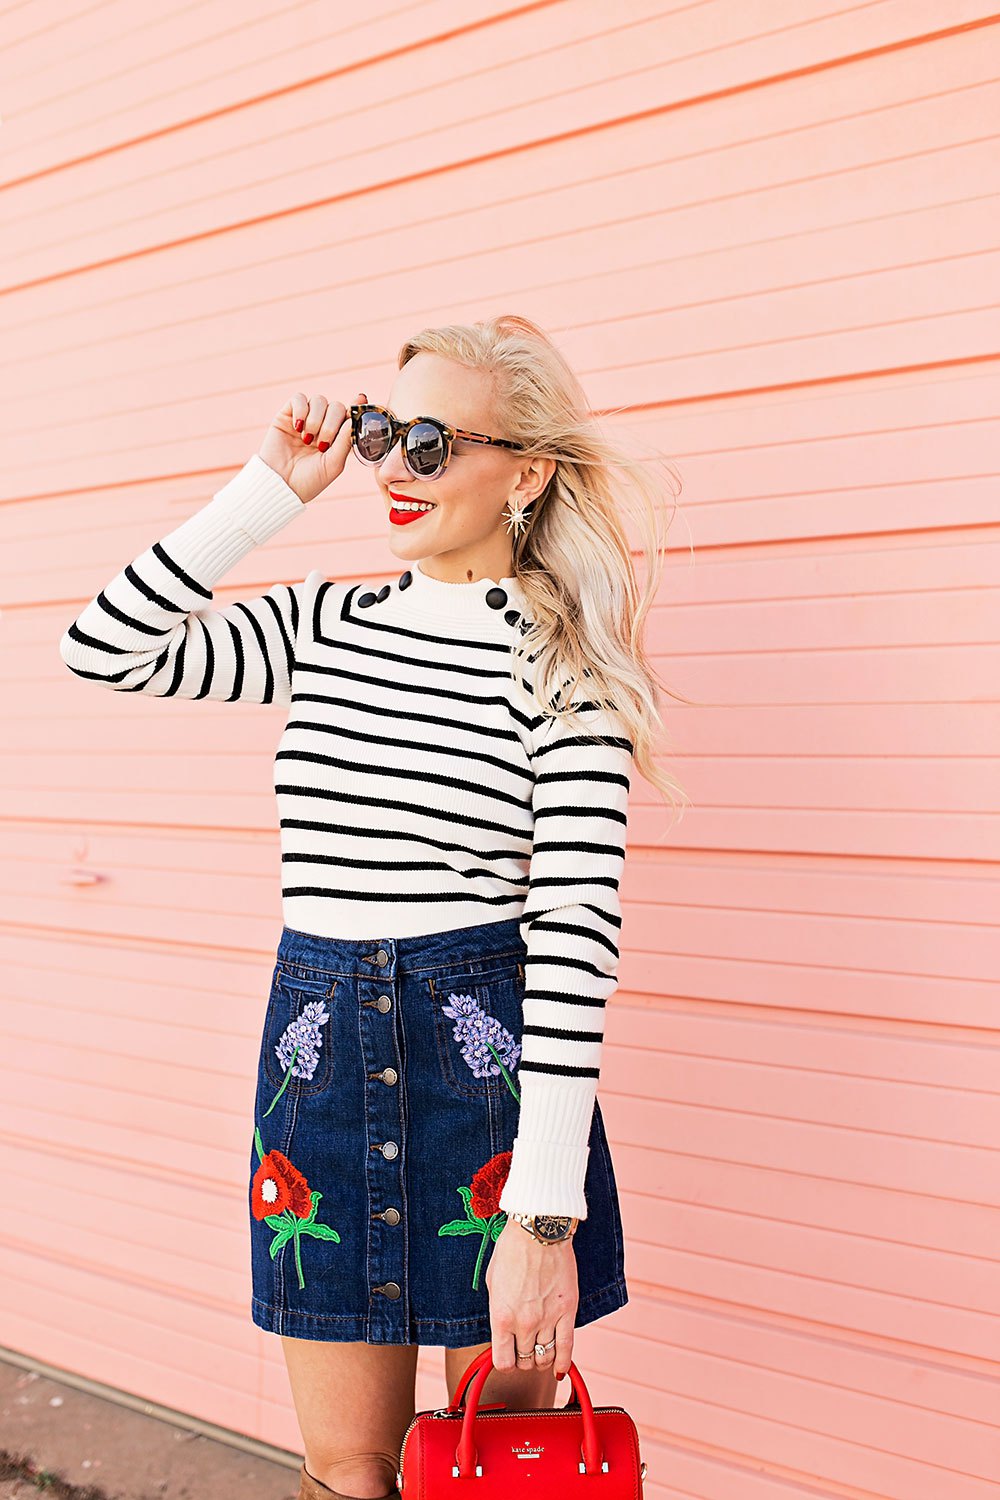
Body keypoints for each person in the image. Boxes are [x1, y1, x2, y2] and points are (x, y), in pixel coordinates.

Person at [59, 314, 684, 1500]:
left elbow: (572, 942)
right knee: (345, 1471)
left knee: (491, 1473)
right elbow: (103, 647)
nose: (395, 467)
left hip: (486, 1074)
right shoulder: (323, 624)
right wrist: (267, 491)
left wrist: (544, 1227)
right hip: (319, 1057)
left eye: (435, 441)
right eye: (385, 434)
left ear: (530, 470)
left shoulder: (569, 674)